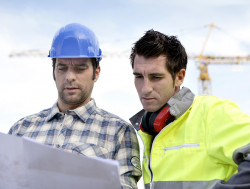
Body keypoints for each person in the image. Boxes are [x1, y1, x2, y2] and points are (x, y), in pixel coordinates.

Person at [9, 23, 141, 189]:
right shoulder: (21, 130)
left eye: (80, 69)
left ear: (96, 72)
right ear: (53, 72)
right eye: (62, 68)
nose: (70, 77)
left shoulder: (119, 131)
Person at [129, 29, 250, 189]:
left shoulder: (212, 112)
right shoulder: (150, 131)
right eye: (139, 77)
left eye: (156, 77)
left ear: (179, 77)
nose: (145, 88)